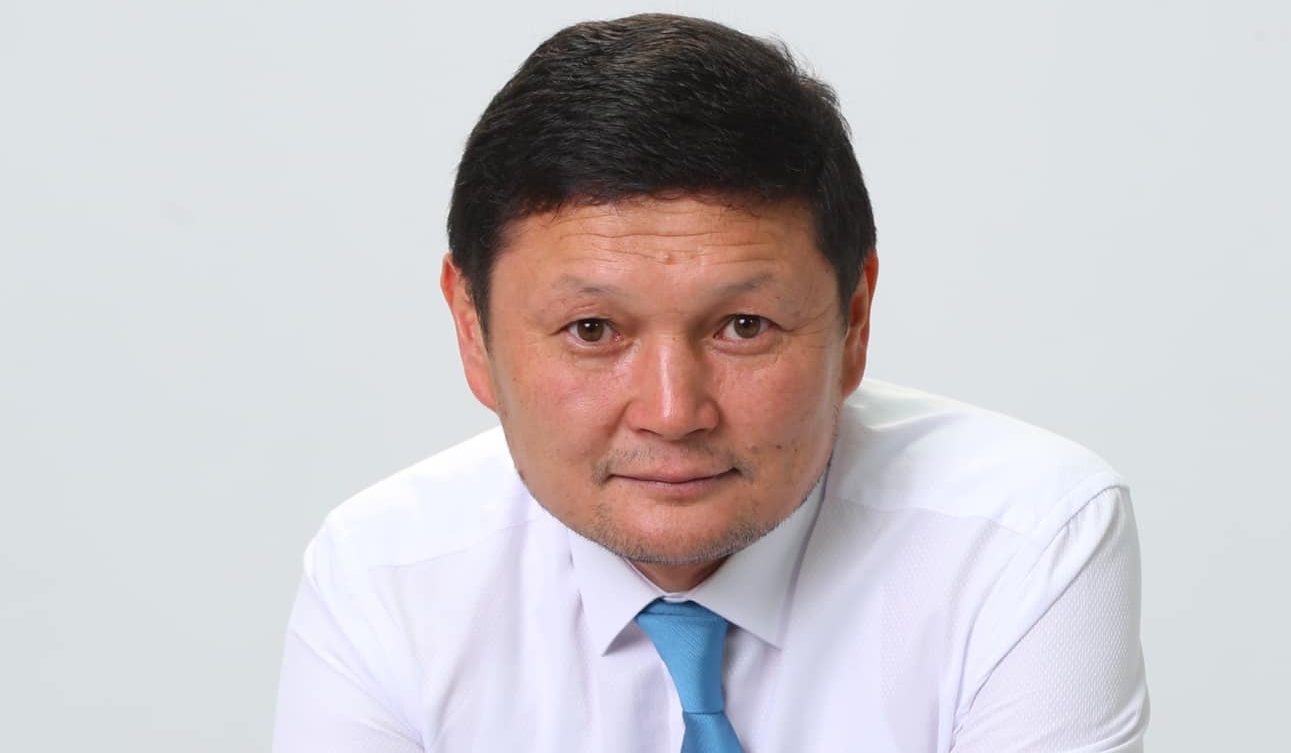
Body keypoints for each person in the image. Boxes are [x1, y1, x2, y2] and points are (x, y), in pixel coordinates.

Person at [272, 13, 1149, 753]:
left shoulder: (1022, 539)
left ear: (853, 320)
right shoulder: (384, 575)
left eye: (743, 326)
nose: (672, 412)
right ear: (472, 329)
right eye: (592, 330)